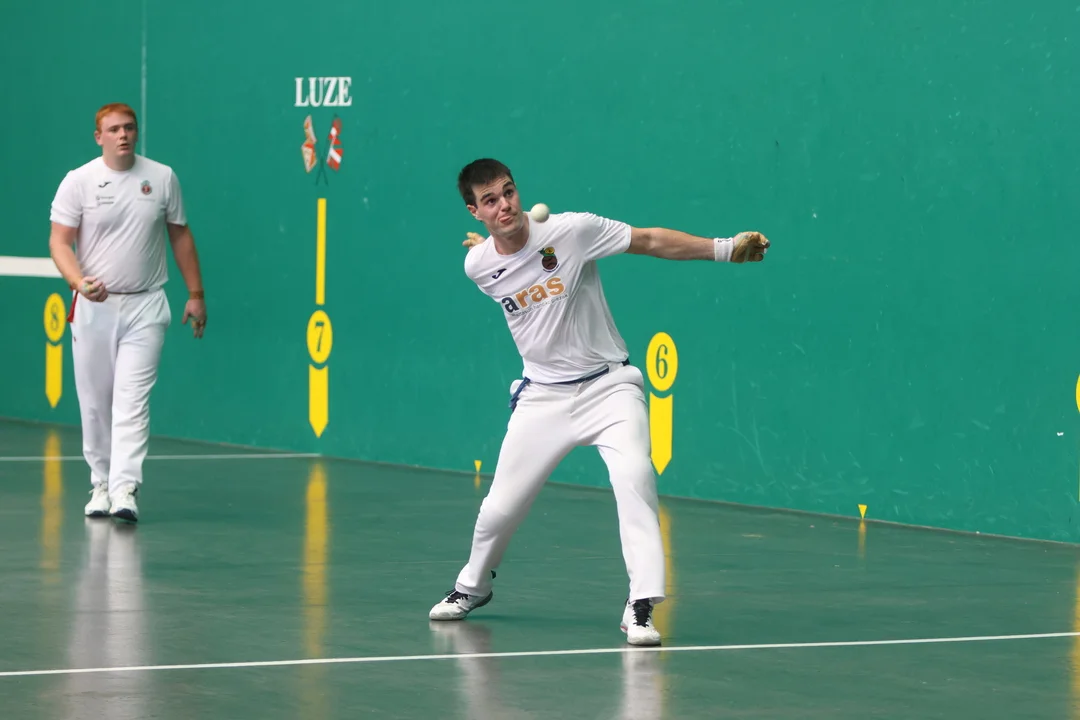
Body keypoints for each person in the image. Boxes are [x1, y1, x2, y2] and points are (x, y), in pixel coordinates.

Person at [428, 158, 770, 646]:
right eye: (490, 201)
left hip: (609, 388)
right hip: (542, 399)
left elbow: (649, 240)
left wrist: (725, 249)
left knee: (635, 477)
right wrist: (489, 246)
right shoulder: (478, 266)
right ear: (474, 212)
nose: (505, 205)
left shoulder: (572, 231)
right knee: (499, 510)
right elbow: (502, 266)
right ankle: (473, 586)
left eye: (508, 192)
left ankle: (641, 604)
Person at [48, 102, 207, 523]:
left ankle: (125, 489)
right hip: (93, 306)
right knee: (95, 402)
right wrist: (78, 281)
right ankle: (100, 483)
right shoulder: (79, 181)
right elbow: (60, 242)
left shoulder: (162, 178)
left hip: (146, 306)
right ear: (98, 137)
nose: (123, 135)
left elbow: (180, 235)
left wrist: (195, 293)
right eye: (114, 129)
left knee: (132, 400)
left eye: (129, 128)